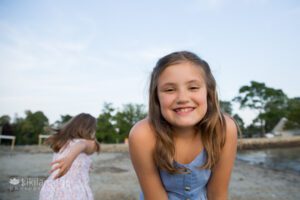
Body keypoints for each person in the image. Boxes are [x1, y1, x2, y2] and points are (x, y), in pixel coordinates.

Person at [129, 51, 238, 200]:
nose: (182, 98)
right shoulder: (142, 135)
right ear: (156, 97)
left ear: (209, 92)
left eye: (193, 88)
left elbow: (217, 194)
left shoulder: (224, 129)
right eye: (169, 90)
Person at [39, 113, 100, 200]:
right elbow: (81, 144)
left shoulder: (63, 142)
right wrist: (69, 159)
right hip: (73, 191)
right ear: (89, 129)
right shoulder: (89, 142)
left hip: (51, 188)